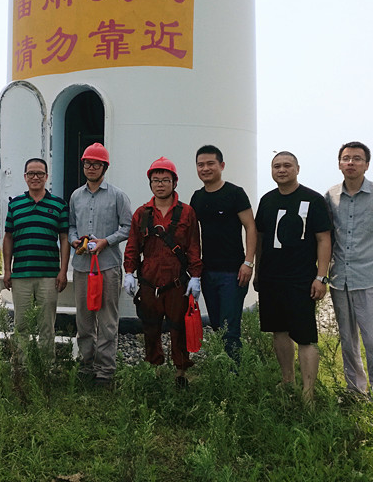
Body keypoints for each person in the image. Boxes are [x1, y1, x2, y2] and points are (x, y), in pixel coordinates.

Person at [324, 141, 373, 402]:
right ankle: (355, 392)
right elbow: (328, 236)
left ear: (367, 164)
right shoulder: (330, 196)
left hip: (370, 281)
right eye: (346, 158)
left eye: (357, 158)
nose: (351, 163)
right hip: (340, 281)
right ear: (339, 164)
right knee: (348, 342)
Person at [255, 152, 331, 405]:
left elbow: (323, 239)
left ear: (297, 169)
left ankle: (308, 393)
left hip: (301, 279)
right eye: (276, 166)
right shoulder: (267, 200)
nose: (281, 170)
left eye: (287, 165)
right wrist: (258, 272)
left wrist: (321, 276)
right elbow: (261, 238)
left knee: (306, 337)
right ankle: (288, 380)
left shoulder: (313, 200)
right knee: (279, 331)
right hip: (271, 278)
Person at [123, 157, 202, 387]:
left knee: (179, 327)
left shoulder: (187, 213)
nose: (160, 184)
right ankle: (154, 369)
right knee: (150, 326)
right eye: (155, 180)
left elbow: (194, 246)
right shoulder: (142, 214)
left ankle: (181, 372)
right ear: (150, 183)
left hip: (176, 282)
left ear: (174, 183)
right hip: (149, 281)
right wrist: (129, 272)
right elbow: (133, 245)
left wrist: (196, 276)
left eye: (165, 180)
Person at [68, 143, 132, 386]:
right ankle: (86, 365)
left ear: (105, 167)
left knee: (107, 320)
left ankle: (105, 370)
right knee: (84, 319)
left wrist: (106, 241)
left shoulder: (117, 195)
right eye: (87, 163)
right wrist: (74, 240)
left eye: (96, 164)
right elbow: (71, 226)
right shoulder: (76, 196)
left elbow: (127, 227)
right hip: (82, 266)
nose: (91, 168)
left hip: (108, 266)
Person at [189, 144, 257, 361]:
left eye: (210, 163)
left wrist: (248, 263)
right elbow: (191, 234)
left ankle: (235, 374)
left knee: (230, 329)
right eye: (200, 165)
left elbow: (251, 227)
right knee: (218, 326)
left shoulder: (235, 193)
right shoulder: (197, 197)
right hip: (208, 272)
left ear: (222, 165)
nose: (205, 168)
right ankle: (222, 371)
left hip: (233, 272)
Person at [2, 158, 70, 359]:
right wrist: (7, 270)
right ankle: (21, 366)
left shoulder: (59, 205)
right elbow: (8, 237)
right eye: (31, 173)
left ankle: (45, 367)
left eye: (40, 173)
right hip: (21, 274)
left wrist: (63, 271)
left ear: (46, 176)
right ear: (25, 177)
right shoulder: (15, 205)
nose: (35, 177)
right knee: (21, 325)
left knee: (46, 325)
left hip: (49, 275)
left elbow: (64, 238)